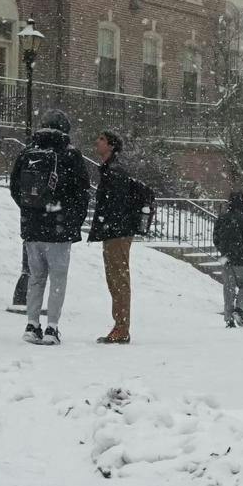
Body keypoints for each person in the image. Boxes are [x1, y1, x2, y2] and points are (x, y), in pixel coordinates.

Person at [7, 111, 90, 346]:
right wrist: (71, 220)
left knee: (36, 278)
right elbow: (82, 192)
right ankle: (52, 328)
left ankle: (32, 325)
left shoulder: (27, 153)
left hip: (32, 229)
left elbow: (16, 189)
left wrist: (31, 211)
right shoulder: (70, 155)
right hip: (59, 229)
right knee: (58, 279)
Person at [88, 128, 153, 344]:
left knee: (118, 279)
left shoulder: (115, 172)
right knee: (115, 279)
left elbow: (118, 204)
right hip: (114, 231)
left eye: (102, 139)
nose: (97, 142)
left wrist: (113, 225)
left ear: (111, 146)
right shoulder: (110, 169)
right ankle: (120, 325)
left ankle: (122, 327)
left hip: (118, 233)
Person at [212, 191, 243, 328]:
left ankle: (228, 318)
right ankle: (239, 309)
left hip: (227, 259)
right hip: (242, 260)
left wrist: (224, 251)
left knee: (228, 288)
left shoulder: (222, 219)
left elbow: (216, 238)